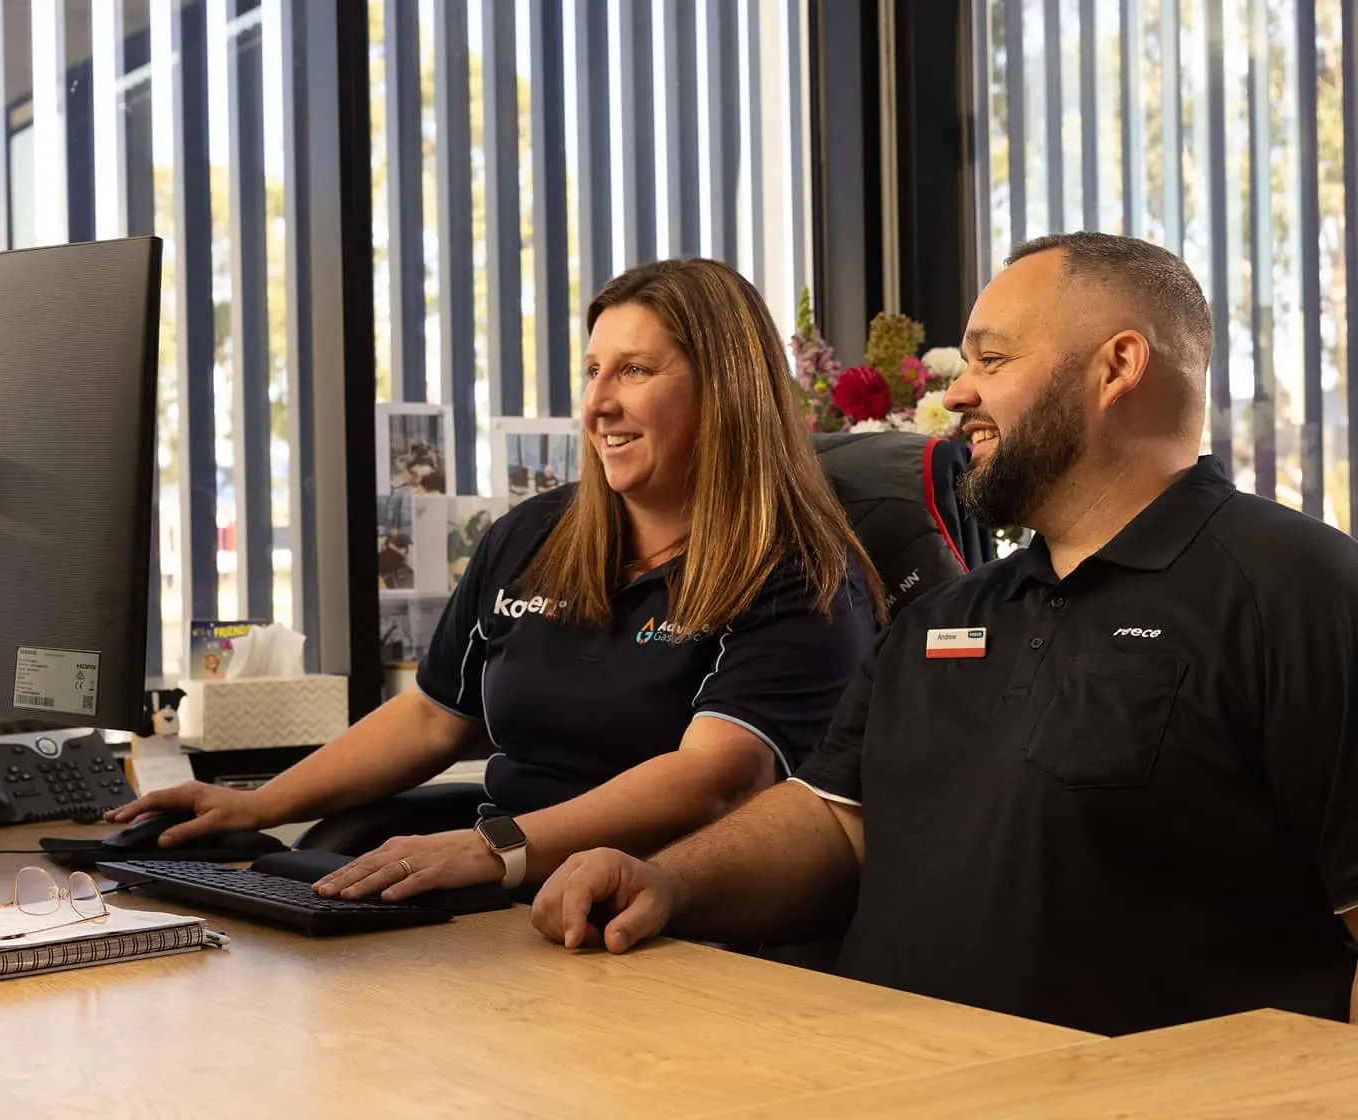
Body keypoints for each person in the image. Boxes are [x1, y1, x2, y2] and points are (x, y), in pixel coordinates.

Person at [532, 232, 1358, 1037]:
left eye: (991, 361)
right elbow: (836, 820)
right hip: (882, 1078)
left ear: (1118, 367)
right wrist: (665, 880)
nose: (959, 393)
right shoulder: (948, 616)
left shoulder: (1300, 594)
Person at [107, 257, 884, 903]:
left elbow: (714, 778)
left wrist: (496, 849)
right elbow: (434, 717)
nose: (599, 402)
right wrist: (257, 803)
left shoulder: (801, 573)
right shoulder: (533, 536)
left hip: (660, 906)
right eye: (591, 371)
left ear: (725, 391)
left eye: (635, 370)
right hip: (508, 885)